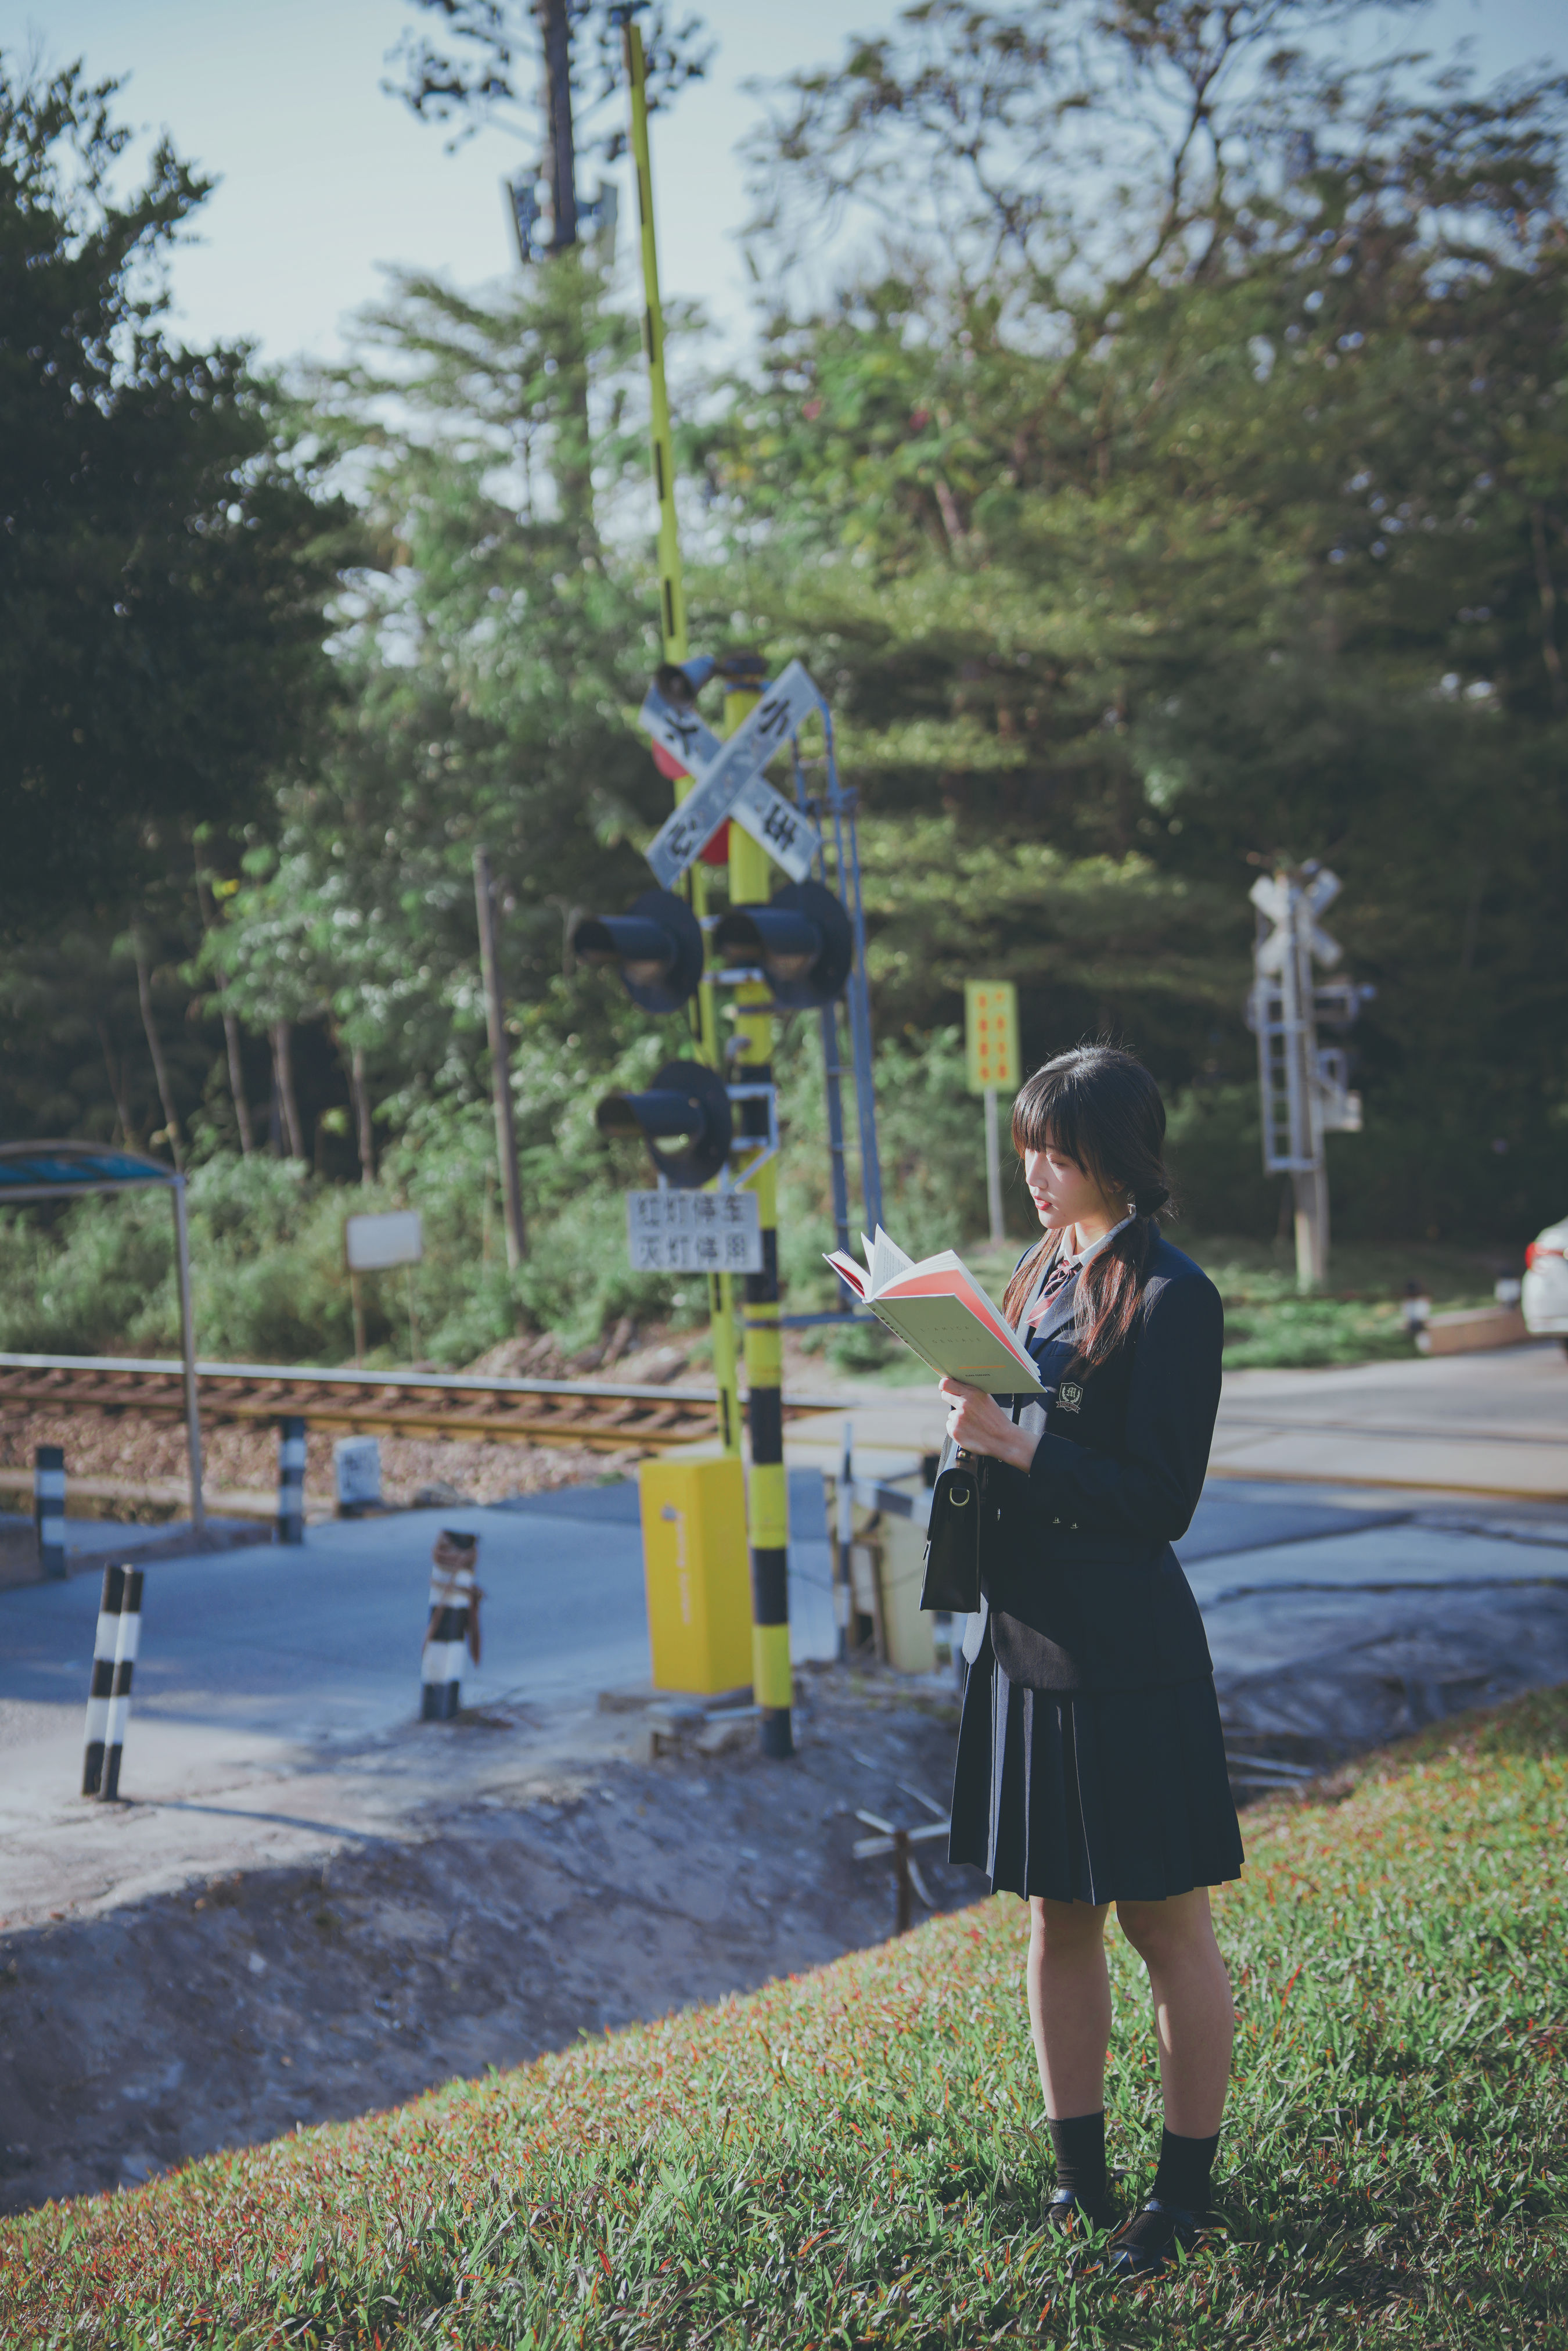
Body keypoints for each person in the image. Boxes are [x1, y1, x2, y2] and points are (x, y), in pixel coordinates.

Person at [941, 1043, 1243, 2278]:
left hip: (1126, 1652)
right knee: (1055, 1916)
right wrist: (973, 1432)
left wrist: (1024, 1452)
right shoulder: (1036, 1280)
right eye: (1027, 1146)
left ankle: (1183, 2195)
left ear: (1114, 1152)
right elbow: (1027, 1432)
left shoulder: (1176, 1296)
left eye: (1057, 1150)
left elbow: (1161, 1497)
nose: (1036, 1170)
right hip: (1027, 1640)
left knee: (1164, 1922)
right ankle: (1083, 2181)